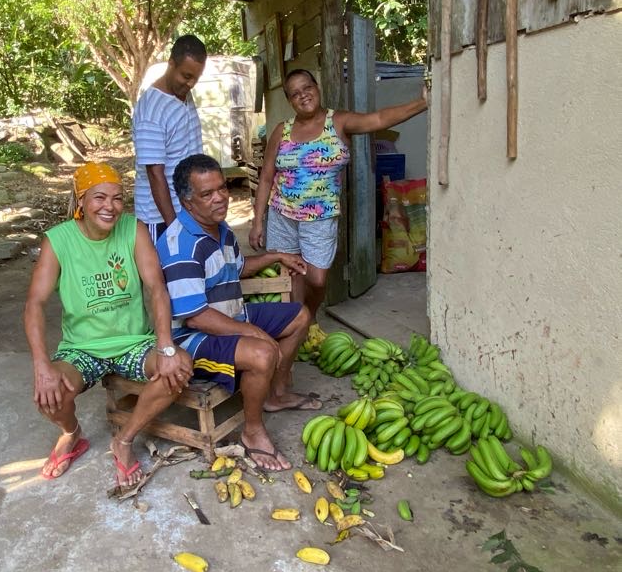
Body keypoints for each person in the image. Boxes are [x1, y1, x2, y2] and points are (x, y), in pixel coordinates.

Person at [24, 162, 193, 486]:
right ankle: (72, 434)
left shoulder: (133, 229)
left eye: (117, 198)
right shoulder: (58, 241)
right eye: (100, 197)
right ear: (81, 200)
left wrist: (166, 345)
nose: (110, 207)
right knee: (49, 394)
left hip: (133, 343)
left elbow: (156, 287)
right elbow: (35, 303)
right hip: (82, 348)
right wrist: (42, 365)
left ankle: (125, 439)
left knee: (179, 369)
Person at [156, 154, 314, 472]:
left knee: (300, 315)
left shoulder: (221, 229)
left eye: (222, 188)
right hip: (193, 339)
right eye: (207, 194)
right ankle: (252, 431)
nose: (220, 198)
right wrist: (255, 334)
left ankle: (274, 395)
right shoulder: (181, 244)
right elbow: (195, 316)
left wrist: (276, 256)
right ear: (187, 202)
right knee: (261, 353)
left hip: (230, 315)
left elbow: (237, 268)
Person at [249, 69, 429, 328]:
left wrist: (423, 103)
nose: (303, 96)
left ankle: (308, 318)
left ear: (317, 87)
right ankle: (295, 328)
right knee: (289, 277)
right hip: (282, 214)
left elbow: (378, 118)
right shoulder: (282, 131)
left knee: (317, 279)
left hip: (320, 218)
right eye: (295, 94)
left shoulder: (338, 122)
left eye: (307, 88)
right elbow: (266, 176)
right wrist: (257, 222)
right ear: (290, 100)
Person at [133, 34, 207, 242]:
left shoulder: (182, 93)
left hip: (186, 211)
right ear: (171, 63)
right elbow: (155, 174)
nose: (191, 83)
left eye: (196, 78)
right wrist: (174, 228)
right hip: (161, 219)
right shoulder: (152, 111)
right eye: (186, 76)